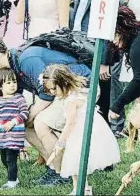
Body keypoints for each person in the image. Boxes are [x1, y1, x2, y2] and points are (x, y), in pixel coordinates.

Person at [0, 34, 91, 186]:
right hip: (61, 93)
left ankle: (63, 172)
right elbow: (12, 105)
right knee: (24, 127)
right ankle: (54, 167)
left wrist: (30, 115)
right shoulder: (12, 65)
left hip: (80, 89)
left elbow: (47, 92)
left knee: (40, 123)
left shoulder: (26, 59)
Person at [42, 64, 120, 195]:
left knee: (76, 161)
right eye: (49, 90)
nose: (52, 92)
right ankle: (78, 189)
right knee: (73, 162)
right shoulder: (72, 94)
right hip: (80, 129)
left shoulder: (71, 100)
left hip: (82, 131)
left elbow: (70, 123)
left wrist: (60, 142)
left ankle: (83, 189)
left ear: (64, 82)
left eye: (54, 89)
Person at [0, 68, 29, 189]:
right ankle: (14, 177)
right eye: (8, 83)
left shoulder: (18, 98)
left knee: (10, 158)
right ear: (0, 85)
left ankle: (12, 182)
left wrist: (13, 122)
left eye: (14, 82)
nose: (12, 85)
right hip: (2, 135)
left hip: (14, 134)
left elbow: (24, 113)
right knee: (4, 158)